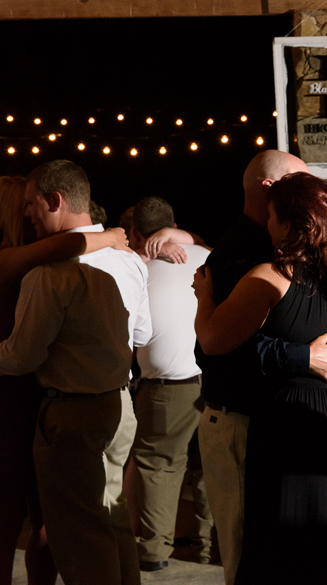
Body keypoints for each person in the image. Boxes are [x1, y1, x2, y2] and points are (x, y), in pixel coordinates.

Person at [193, 172, 327, 584]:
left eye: (271, 215)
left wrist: (204, 297)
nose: (267, 224)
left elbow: (211, 341)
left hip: (296, 424)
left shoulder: (270, 276)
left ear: (289, 223)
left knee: (290, 548)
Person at [0, 160, 149, 585]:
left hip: (71, 413)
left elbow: (22, 358)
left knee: (81, 539)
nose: (28, 214)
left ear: (55, 200)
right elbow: (142, 334)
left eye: (32, 205)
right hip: (118, 404)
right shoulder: (131, 261)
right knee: (115, 521)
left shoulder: (49, 275)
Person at [127, 196, 213, 571]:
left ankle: (153, 551)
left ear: (134, 232)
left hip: (168, 387)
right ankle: (210, 548)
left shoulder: (136, 267)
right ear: (172, 224)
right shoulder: (206, 255)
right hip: (213, 376)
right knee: (209, 465)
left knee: (158, 464)